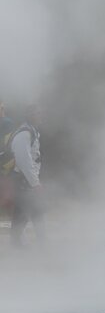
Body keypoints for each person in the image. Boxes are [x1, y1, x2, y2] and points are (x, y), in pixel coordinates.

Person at [10, 105, 45, 247]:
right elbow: (24, 161)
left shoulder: (32, 131)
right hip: (23, 180)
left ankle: (39, 242)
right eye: (38, 113)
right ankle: (20, 244)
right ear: (30, 115)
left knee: (29, 211)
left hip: (26, 180)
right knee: (26, 211)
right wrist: (35, 183)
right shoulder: (24, 134)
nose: (41, 116)